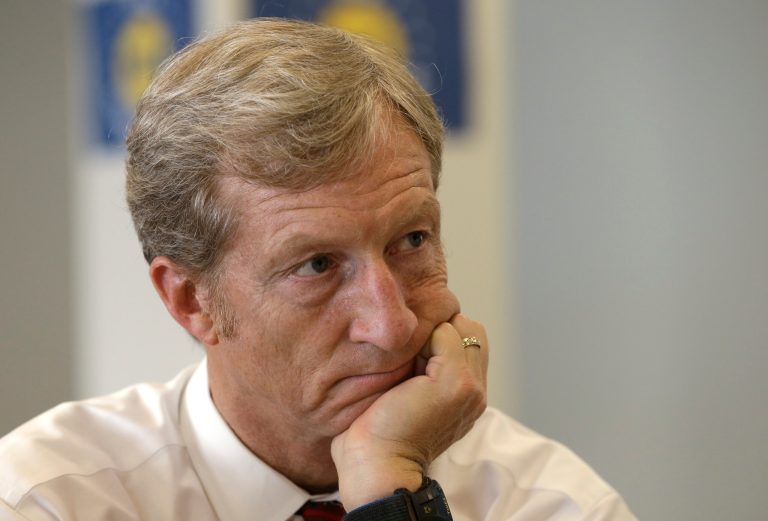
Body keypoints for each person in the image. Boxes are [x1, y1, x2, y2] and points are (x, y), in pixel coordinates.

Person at [0, 18, 636, 521]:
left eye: (412, 239)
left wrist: (390, 489)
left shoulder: (547, 503)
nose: (391, 324)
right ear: (191, 300)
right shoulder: (46, 499)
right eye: (317, 265)